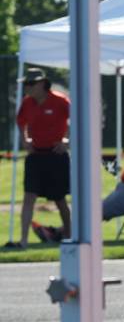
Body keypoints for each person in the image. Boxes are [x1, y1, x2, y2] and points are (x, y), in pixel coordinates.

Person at [4, 67, 71, 249]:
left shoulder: (60, 101)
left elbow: (77, 119)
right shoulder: (27, 103)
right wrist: (25, 140)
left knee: (59, 199)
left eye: (31, 84)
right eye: (25, 84)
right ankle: (24, 240)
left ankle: (69, 235)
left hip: (56, 156)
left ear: (42, 84)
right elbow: (20, 122)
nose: (27, 87)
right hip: (36, 156)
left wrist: (66, 141)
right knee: (29, 197)